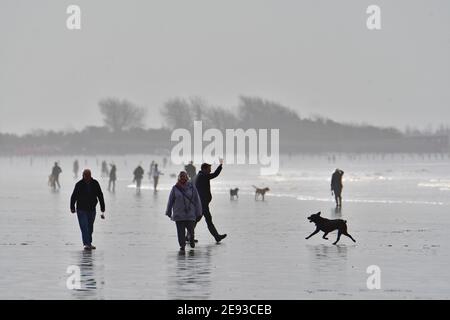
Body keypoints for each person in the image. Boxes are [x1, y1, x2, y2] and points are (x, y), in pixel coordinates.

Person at [165, 171, 202, 252]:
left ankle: (191, 239)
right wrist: (168, 211)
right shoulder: (175, 188)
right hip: (179, 214)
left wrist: (199, 212)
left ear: (187, 177)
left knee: (191, 231)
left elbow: (197, 200)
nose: (182, 178)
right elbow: (170, 200)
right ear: (179, 177)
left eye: (184, 176)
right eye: (181, 176)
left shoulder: (192, 187)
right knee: (180, 232)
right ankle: (182, 246)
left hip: (190, 213)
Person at [70, 169, 105, 250]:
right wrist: (72, 207)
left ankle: (89, 242)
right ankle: (86, 244)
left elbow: (100, 195)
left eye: (87, 175)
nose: (86, 177)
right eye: (85, 175)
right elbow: (74, 196)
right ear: (83, 175)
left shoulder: (95, 183)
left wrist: (102, 207)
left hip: (92, 209)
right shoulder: (79, 184)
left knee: (90, 227)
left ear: (90, 175)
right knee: (84, 226)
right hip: (81, 209)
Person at [194, 159, 227, 243]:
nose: (210, 170)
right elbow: (215, 174)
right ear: (204, 169)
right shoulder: (203, 176)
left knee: (196, 220)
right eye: (209, 169)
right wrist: (220, 165)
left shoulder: (201, 176)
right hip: (202, 203)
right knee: (208, 220)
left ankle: (188, 236)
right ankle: (217, 237)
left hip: (202, 203)